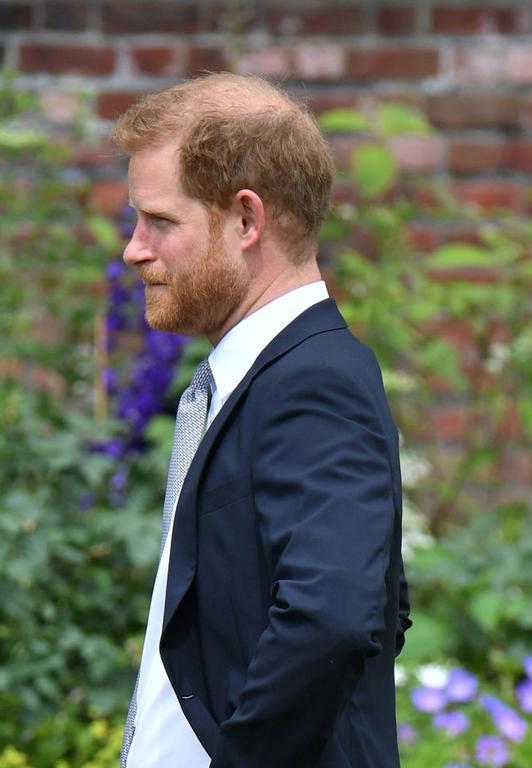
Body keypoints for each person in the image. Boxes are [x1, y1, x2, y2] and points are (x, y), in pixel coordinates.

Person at [112, 72, 410, 767]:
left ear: (246, 220)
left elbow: (333, 619)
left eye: (159, 220)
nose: (133, 248)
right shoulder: (262, 379)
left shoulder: (314, 382)